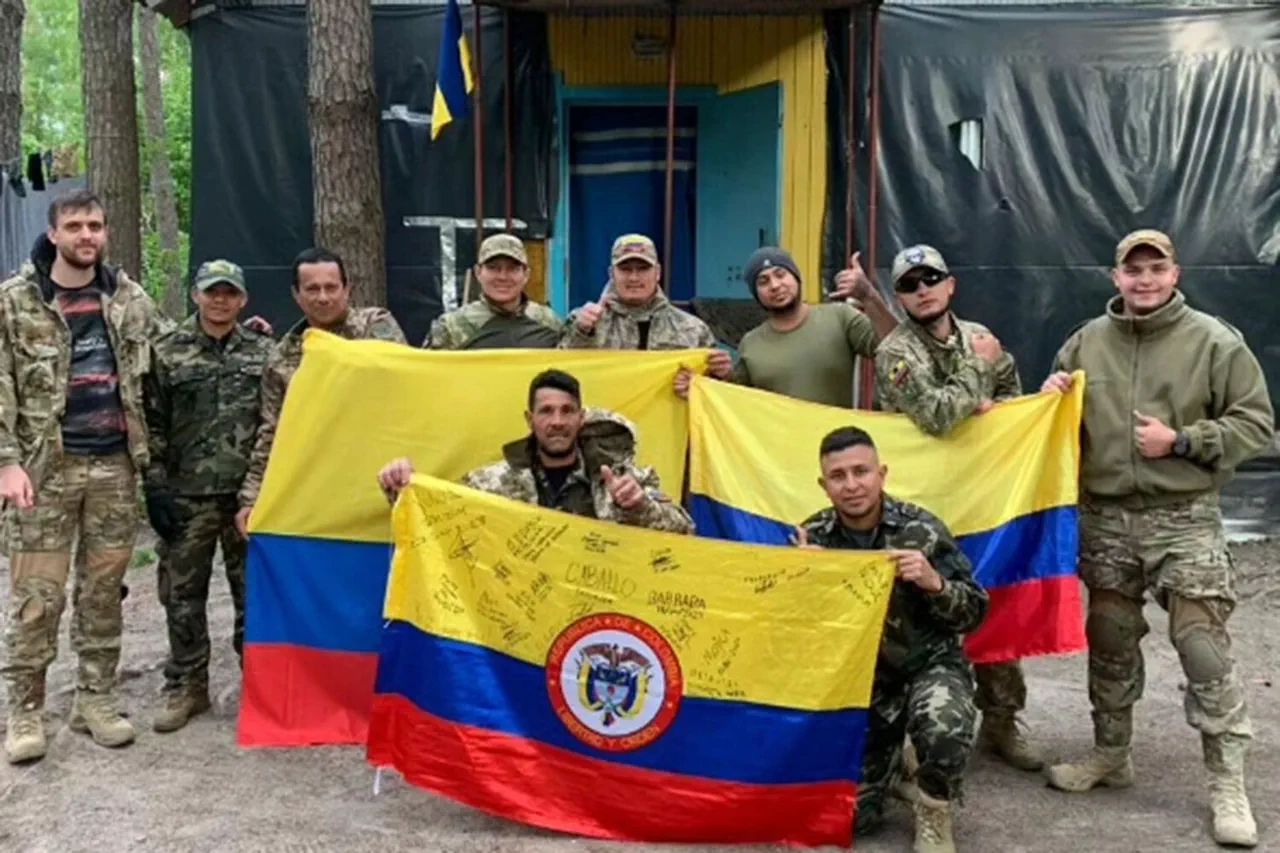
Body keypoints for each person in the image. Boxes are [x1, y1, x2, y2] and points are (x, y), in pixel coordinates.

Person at [1041, 229, 1273, 849]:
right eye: (1133, 270)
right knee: (1109, 637)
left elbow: (1256, 424)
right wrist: (1050, 399)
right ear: (1115, 277)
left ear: (1175, 274)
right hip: (1107, 517)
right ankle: (1111, 755)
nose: (1144, 280)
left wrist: (1183, 441)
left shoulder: (1215, 342)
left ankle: (1227, 784)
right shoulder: (1086, 342)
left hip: (1184, 516)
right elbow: (1056, 423)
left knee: (1201, 645)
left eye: (1156, 269)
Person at [0, 190, 167, 762]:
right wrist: (6, 462)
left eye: (94, 225)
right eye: (74, 226)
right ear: (54, 234)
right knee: (36, 598)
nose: (86, 235)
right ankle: (25, 711)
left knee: (102, 594)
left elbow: (168, 352)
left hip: (113, 468)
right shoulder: (16, 301)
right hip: (43, 471)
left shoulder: (127, 298)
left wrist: (239, 331)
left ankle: (95, 700)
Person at [874, 244, 1041, 772]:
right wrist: (976, 378)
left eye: (931, 279)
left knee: (993, 599)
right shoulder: (896, 353)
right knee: (917, 614)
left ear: (950, 285)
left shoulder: (980, 337)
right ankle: (909, 738)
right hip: (920, 505)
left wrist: (1004, 409)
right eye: (909, 285)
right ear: (899, 297)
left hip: (981, 495)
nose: (922, 290)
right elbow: (939, 416)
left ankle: (1001, 721)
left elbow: (1014, 405)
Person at [795, 426, 986, 853]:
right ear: (824, 485)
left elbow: (975, 612)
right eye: (838, 476)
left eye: (861, 471)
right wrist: (802, 578)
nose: (851, 485)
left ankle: (934, 808)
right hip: (861, 686)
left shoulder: (922, 530)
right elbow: (788, 630)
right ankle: (895, 765)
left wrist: (935, 582)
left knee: (943, 722)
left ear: (881, 474)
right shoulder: (812, 537)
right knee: (852, 821)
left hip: (926, 667)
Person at [143, 259, 273, 733]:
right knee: (181, 594)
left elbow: (279, 418)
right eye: (212, 291)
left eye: (230, 293)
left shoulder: (264, 351)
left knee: (255, 594)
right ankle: (187, 684)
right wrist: (154, 485)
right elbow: (151, 421)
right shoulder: (165, 351)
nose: (221, 300)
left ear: (243, 299)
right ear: (195, 294)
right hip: (187, 496)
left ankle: (258, 683)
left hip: (249, 497)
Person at [377, 369, 694, 534]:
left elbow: (683, 530)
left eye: (567, 411)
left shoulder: (621, 480)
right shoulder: (491, 483)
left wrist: (639, 507)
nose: (557, 422)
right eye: (546, 411)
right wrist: (401, 488)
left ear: (581, 418)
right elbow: (437, 521)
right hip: (520, 624)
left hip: (598, 624)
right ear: (530, 420)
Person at [236, 247, 407, 536]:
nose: (323, 297)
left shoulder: (375, 327)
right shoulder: (282, 358)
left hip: (382, 477)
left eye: (331, 287)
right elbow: (273, 431)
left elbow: (404, 385)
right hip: (319, 486)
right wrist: (252, 498)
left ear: (347, 289)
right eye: (312, 289)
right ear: (296, 294)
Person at [560, 234, 732, 394]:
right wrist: (581, 332)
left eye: (643, 269)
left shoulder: (692, 329)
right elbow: (559, 378)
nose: (634, 278)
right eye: (625, 269)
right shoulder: (584, 322)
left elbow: (717, 395)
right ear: (612, 274)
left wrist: (719, 375)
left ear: (658, 273)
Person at [731, 247, 897, 408]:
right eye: (763, 281)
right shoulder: (750, 344)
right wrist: (723, 375)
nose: (774, 285)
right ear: (756, 294)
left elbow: (897, 348)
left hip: (836, 428)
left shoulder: (840, 317)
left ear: (796, 277)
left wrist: (869, 295)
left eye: (780, 274)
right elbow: (737, 402)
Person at [424, 233, 563, 349]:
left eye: (512, 269)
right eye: (493, 268)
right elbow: (429, 370)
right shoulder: (452, 327)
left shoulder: (548, 322)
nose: (503, 277)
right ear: (478, 272)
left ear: (526, 274)